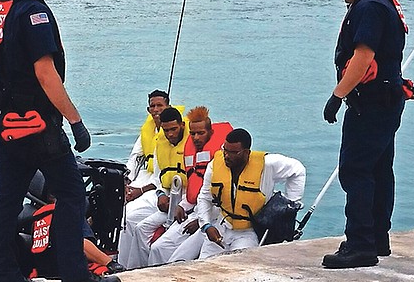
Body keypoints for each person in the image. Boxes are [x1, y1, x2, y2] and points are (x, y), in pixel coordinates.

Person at [0, 0, 120, 282]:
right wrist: (76, 121)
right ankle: (76, 278)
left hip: (3, 124)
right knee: (72, 193)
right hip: (38, 127)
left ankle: (6, 280)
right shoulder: (34, 12)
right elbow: (46, 73)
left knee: (6, 200)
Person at [322, 0, 408, 269]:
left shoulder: (369, 7)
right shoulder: (384, 2)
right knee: (379, 169)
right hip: (387, 98)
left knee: (355, 170)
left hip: (370, 101)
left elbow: (363, 55)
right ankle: (377, 238)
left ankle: (360, 244)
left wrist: (337, 94)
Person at [197, 129, 306, 259]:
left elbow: (298, 170)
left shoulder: (267, 164)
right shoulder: (214, 165)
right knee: (203, 264)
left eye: (233, 152)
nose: (226, 156)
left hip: (249, 232)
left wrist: (290, 204)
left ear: (246, 152)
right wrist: (206, 225)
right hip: (222, 226)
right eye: (224, 150)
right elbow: (204, 197)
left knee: (238, 265)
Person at [147, 107, 232, 266]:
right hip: (191, 211)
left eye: (201, 133)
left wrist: (201, 221)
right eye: (193, 134)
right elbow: (194, 190)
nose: (196, 138)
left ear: (210, 132)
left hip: (211, 218)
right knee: (158, 248)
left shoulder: (222, 162)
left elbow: (221, 201)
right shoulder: (191, 153)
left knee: (178, 259)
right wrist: (181, 205)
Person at [117, 91, 183, 266]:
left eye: (160, 106)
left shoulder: (182, 138)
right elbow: (135, 158)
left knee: (129, 217)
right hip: (148, 178)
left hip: (159, 187)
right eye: (152, 106)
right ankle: (120, 260)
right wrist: (126, 182)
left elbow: (160, 179)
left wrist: (141, 191)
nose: (156, 110)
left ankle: (130, 264)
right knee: (118, 207)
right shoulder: (149, 132)